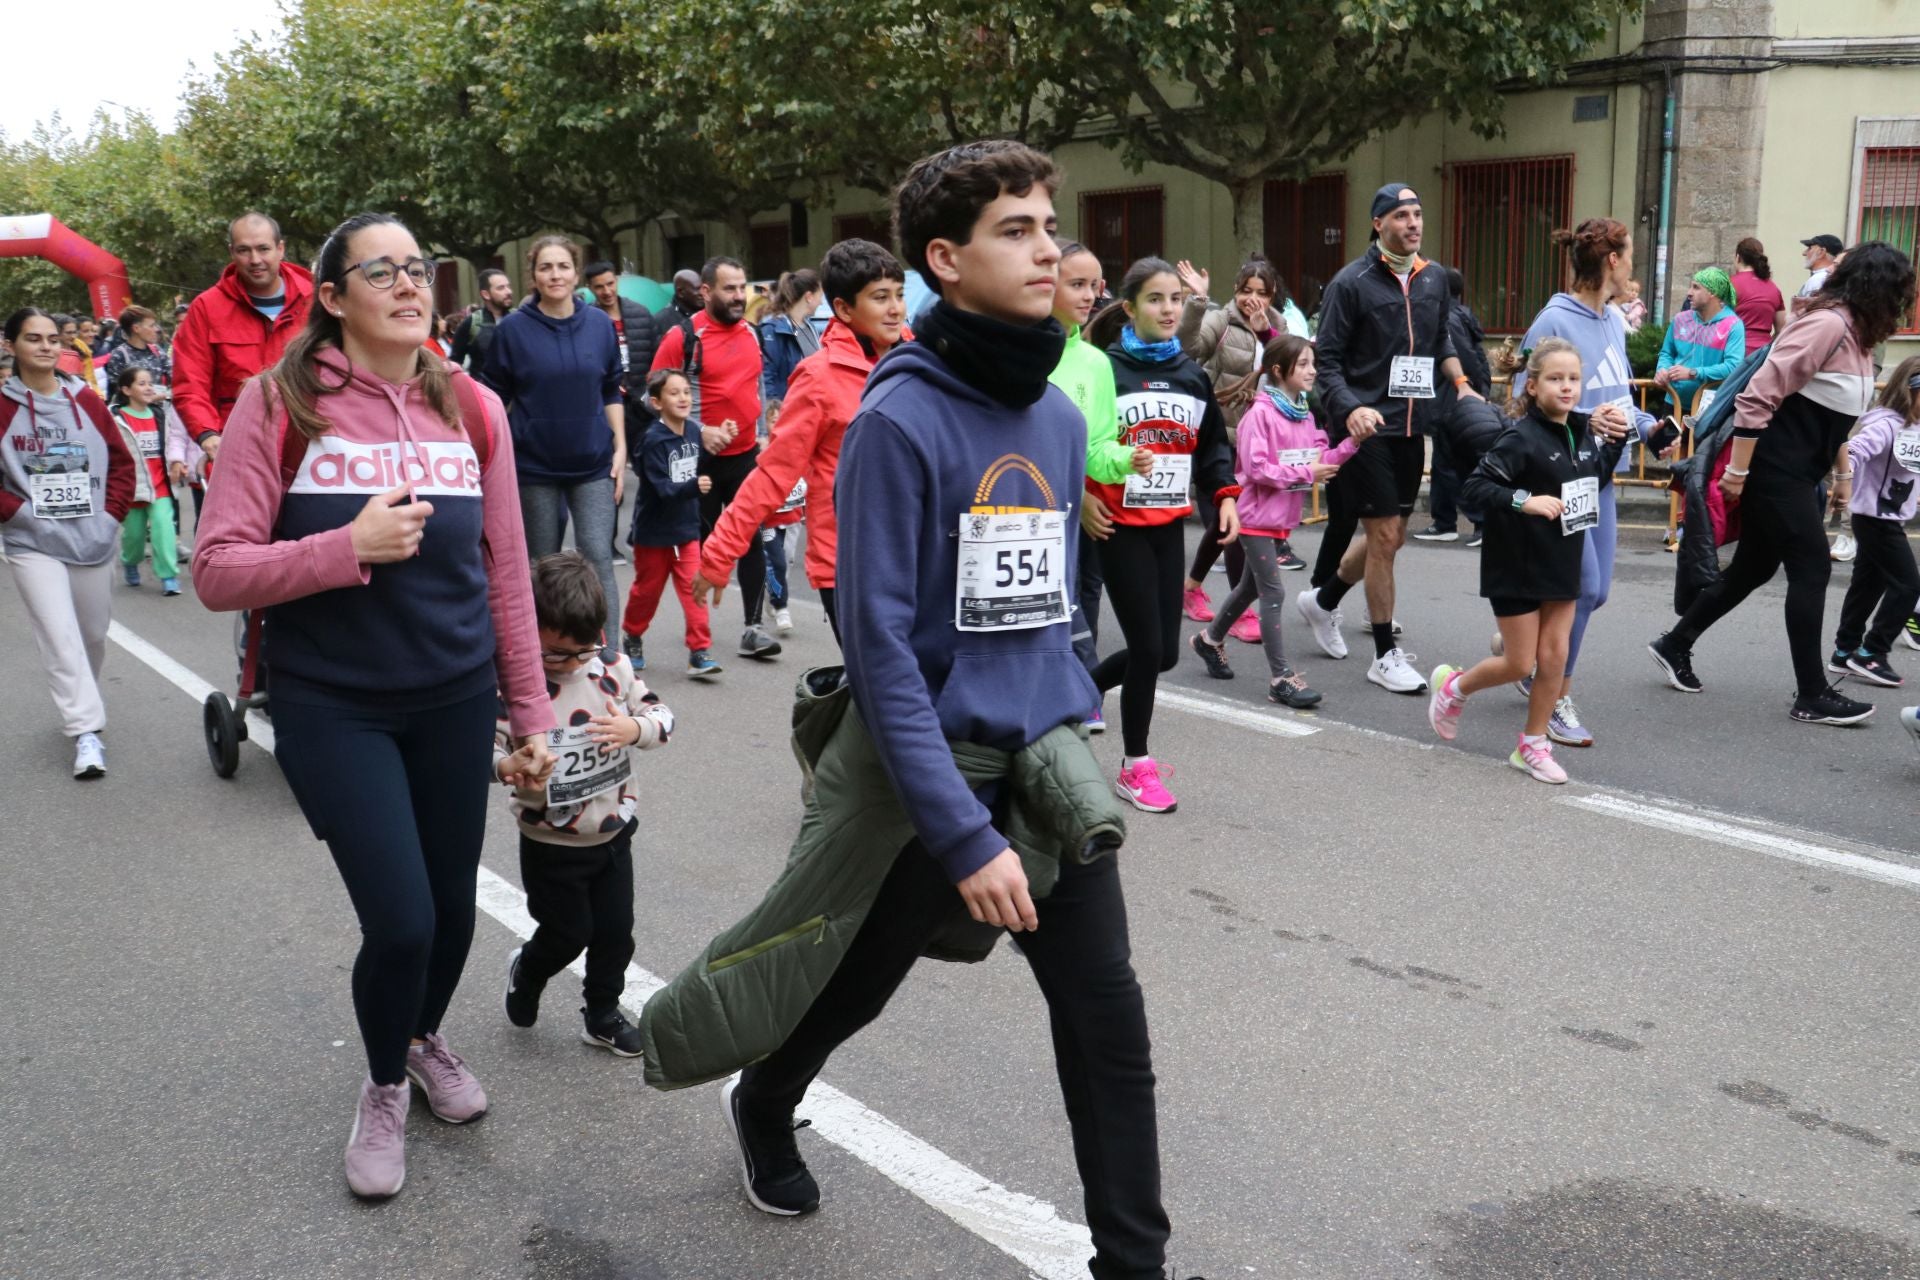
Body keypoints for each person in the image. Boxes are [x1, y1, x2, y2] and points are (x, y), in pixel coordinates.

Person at [672, 138, 1181, 1280]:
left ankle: (1132, 1266)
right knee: (858, 980)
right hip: (933, 777)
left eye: (1050, 225)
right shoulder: (898, 421)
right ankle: (766, 1098)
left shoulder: (1051, 414)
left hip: (1046, 764)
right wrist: (958, 830)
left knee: (1110, 1024)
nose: (1048, 248)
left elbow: (1046, 609)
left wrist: (1072, 726)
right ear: (945, 261)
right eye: (1018, 229)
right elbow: (883, 650)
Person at [190, 212, 556, 1199]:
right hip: (332, 703)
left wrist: (532, 712)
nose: (407, 283)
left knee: (453, 921)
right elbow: (217, 570)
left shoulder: (474, 407)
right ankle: (386, 1082)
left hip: (452, 696)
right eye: (379, 269)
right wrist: (343, 548)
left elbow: (508, 572)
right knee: (400, 921)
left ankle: (422, 1031)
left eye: (416, 268)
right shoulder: (280, 405)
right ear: (335, 296)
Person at [1649, 242, 1914, 726]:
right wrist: (1738, 471)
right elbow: (1758, 395)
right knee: (1811, 568)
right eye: (1899, 291)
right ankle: (1811, 694)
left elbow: (1834, 416)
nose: (1903, 302)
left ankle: (1674, 643)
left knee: (1752, 569)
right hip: (1773, 470)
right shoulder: (1827, 325)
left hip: (1796, 472)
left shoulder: (1856, 336)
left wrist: (1842, 474)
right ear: (1878, 287)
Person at [1297, 183, 1484, 694]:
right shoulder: (1349, 283)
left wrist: (1463, 385)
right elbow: (1327, 362)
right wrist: (1351, 407)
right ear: (1378, 223)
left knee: (1394, 536)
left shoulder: (1435, 279)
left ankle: (1323, 599)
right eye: (1401, 215)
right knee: (1382, 536)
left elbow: (1440, 336)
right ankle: (1383, 654)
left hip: (1411, 424)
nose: (1413, 223)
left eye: (1418, 214)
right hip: (1364, 427)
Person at [693, 238, 910, 648]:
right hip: (850, 567)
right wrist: (719, 553)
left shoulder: (918, 361)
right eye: (880, 298)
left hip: (919, 558)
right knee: (886, 696)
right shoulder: (818, 378)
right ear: (844, 309)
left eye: (899, 295)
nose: (895, 308)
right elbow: (774, 473)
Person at [1428, 338, 1626, 784]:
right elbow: (1476, 488)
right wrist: (1525, 500)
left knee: (1554, 658)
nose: (1567, 387)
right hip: (1516, 562)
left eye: (1573, 379)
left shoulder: (1584, 430)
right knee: (1520, 664)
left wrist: (1617, 445)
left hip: (1563, 557)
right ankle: (1453, 689)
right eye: (1555, 379)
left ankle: (1532, 745)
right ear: (1532, 386)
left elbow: (1592, 480)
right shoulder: (1520, 437)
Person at [501, 551, 674, 1057]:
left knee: (616, 934)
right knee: (566, 933)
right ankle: (528, 968)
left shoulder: (612, 669)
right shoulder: (517, 685)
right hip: (550, 840)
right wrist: (508, 765)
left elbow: (662, 714)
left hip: (615, 831)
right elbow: (485, 745)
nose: (573, 664)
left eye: (584, 650)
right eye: (556, 653)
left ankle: (601, 1013)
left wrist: (635, 728)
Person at [1504, 219, 1668, 748]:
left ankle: (1527, 653)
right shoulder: (1556, 318)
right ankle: (1552, 696)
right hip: (1564, 471)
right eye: (1630, 256)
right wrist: (1585, 421)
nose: (1632, 268)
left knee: (1592, 596)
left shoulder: (1613, 319)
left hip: (1602, 471)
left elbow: (1615, 396)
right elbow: (1523, 397)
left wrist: (1651, 429)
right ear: (1612, 262)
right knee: (1585, 588)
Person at [1084, 256, 1240, 812]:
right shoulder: (1104, 370)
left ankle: (1083, 690)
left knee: (1166, 655)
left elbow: (1214, 449)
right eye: (1156, 299)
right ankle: (1135, 765)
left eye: (1176, 298)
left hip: (1167, 524)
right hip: (1116, 523)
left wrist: (1223, 497)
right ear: (1129, 308)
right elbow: (1076, 440)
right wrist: (1082, 499)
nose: (1170, 309)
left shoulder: (1191, 375)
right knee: (1148, 647)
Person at [0, 307, 136, 779]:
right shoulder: (1, 406)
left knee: (92, 635)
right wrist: (20, 514)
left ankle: (83, 702)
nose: (45, 347)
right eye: (33, 338)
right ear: (10, 345)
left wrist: (110, 517)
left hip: (91, 538)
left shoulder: (87, 401)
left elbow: (122, 464)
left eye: (53, 339)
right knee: (59, 634)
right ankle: (86, 733)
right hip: (31, 542)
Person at [1190, 334, 1352, 707]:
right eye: (1304, 364)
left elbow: (1319, 457)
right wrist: (1306, 473)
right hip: (1252, 516)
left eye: (1314, 363)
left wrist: (1352, 444)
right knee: (1273, 591)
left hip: (1279, 516)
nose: (1313, 371)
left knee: (1249, 588)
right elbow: (1258, 469)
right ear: (1279, 370)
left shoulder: (1305, 413)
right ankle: (1281, 678)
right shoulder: (1258, 414)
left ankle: (1208, 640)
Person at [483, 234, 626, 613]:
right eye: (545, 267)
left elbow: (611, 389)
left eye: (563, 266)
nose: (555, 274)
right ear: (533, 275)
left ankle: (608, 657)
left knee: (598, 558)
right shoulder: (512, 330)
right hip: (534, 467)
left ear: (576, 272)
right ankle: (541, 660)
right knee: (541, 565)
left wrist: (621, 447)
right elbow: (492, 399)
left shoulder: (599, 324)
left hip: (594, 463)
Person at [650, 256, 779, 659]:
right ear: (706, 292)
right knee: (700, 547)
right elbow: (650, 397)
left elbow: (756, 385)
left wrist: (760, 434)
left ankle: (753, 628)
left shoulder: (751, 334)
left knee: (751, 539)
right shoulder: (683, 337)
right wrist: (698, 430)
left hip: (744, 458)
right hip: (699, 462)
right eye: (730, 288)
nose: (740, 296)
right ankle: (699, 639)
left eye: (743, 288)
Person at [1174, 254, 1307, 624]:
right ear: (1235, 291)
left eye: (1261, 293)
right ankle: (1239, 613)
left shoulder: (1278, 326)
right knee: (1231, 522)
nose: (1253, 300)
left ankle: (1191, 587)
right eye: (1246, 291)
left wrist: (1267, 333)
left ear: (1272, 294)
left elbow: (1295, 373)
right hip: (1218, 437)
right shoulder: (1221, 319)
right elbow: (1188, 350)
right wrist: (1197, 302)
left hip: (1259, 443)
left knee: (1228, 523)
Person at [1049, 239, 1144, 731]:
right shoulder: (1023, 352)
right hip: (1031, 512)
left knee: (1086, 591)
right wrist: (1076, 494)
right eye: (1077, 284)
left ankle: (1082, 690)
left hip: (1085, 508)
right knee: (1052, 602)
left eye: (1095, 285)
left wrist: (1129, 459)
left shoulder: (1095, 362)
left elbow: (1099, 445)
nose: (1089, 295)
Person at [172, 212, 315, 462]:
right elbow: (190, 383)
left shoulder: (317, 301)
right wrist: (207, 434)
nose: (255, 259)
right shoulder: (207, 308)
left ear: (280, 249)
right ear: (231, 253)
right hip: (238, 449)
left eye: (263, 249)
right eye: (244, 250)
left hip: (311, 444)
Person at [1827, 356, 1920, 688]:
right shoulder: (1886, 425)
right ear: (1909, 392)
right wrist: (1844, 477)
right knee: (1909, 584)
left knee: (1868, 585)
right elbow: (1854, 450)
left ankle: (1844, 650)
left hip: (1886, 515)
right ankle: (1872, 653)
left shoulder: (1914, 428)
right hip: (1874, 517)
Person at [622, 369, 720, 678]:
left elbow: (698, 465)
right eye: (674, 393)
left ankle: (699, 652)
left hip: (686, 531)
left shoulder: (692, 431)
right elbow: (663, 489)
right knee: (646, 593)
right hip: (653, 534)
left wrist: (724, 435)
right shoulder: (651, 441)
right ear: (657, 402)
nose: (683, 398)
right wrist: (694, 487)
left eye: (686, 392)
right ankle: (633, 637)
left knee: (696, 590)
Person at [1413, 267, 1493, 544]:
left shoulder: (1449, 319)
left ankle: (1480, 521)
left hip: (1451, 400)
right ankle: (1444, 521)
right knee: (1445, 463)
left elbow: (1466, 359)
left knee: (1453, 465)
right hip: (1451, 399)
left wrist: (1470, 390)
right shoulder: (1462, 315)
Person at [109, 367, 184, 595]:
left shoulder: (160, 415)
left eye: (150, 383)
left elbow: (172, 442)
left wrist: (176, 462)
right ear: (126, 389)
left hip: (160, 486)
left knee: (164, 529)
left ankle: (169, 576)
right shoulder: (116, 419)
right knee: (134, 536)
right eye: (141, 383)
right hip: (133, 488)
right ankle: (130, 561)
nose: (149, 387)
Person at [1651, 268, 1745, 418]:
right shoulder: (1680, 319)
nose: (1689, 293)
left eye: (1696, 287)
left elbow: (1733, 367)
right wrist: (1662, 369)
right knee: (1666, 442)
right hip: (1673, 402)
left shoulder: (1733, 325)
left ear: (1712, 293)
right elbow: (1667, 353)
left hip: (1709, 408)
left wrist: (1693, 373)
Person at [759, 268, 822, 418]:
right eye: (820, 296)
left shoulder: (811, 327)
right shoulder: (772, 330)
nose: (821, 302)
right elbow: (766, 378)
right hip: (787, 416)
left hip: (810, 412)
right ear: (809, 297)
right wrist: (774, 416)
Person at [451, 267, 515, 372]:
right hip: (482, 386)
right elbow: (455, 363)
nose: (508, 291)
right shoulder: (471, 323)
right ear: (486, 294)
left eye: (508, 286)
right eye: (501, 288)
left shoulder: (519, 319)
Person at [1732, 238, 1788, 356]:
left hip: (1734, 351)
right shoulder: (1773, 288)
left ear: (1738, 258)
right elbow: (1781, 329)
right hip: (1762, 355)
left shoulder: (1730, 284)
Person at [103, 305, 172, 395]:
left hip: (160, 406)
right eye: (151, 326)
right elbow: (118, 392)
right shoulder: (119, 355)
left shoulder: (156, 350)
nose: (156, 329)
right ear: (136, 328)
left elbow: (174, 376)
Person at [1793, 233, 1843, 311]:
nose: (1804, 253)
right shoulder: (1833, 277)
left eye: (1809, 248)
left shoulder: (1818, 279)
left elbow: (1809, 313)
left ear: (1821, 252)